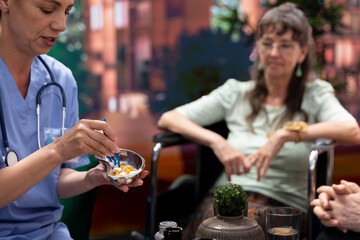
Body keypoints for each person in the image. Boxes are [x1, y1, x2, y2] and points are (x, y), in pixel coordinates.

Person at [157, 2, 360, 237]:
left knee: (243, 230)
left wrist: (285, 135)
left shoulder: (315, 93)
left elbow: (351, 130)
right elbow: (169, 118)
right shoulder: (236, 93)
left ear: (302, 52)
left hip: (283, 209)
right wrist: (216, 142)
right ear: (258, 48)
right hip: (224, 202)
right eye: (267, 43)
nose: (274, 53)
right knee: (219, 226)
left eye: (285, 45)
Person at [0, 0, 148, 239]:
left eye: (67, 12)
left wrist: (92, 177)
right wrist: (58, 150)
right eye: (47, 9)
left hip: (48, 233)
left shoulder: (61, 80)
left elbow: (56, 181)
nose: (61, 25)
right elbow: (55, 156)